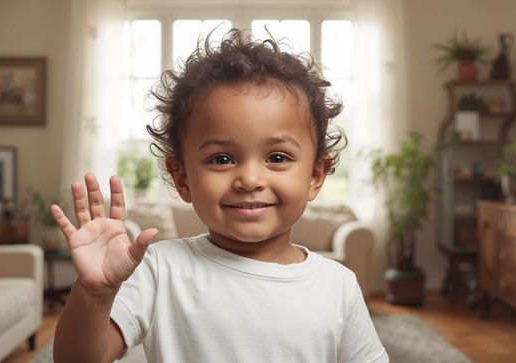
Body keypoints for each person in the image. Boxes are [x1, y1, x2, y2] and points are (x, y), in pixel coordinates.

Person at [51, 28, 388, 363]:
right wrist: (95, 295)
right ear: (181, 177)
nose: (250, 179)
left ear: (316, 175)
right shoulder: (159, 269)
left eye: (277, 157)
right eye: (222, 159)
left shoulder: (338, 284)